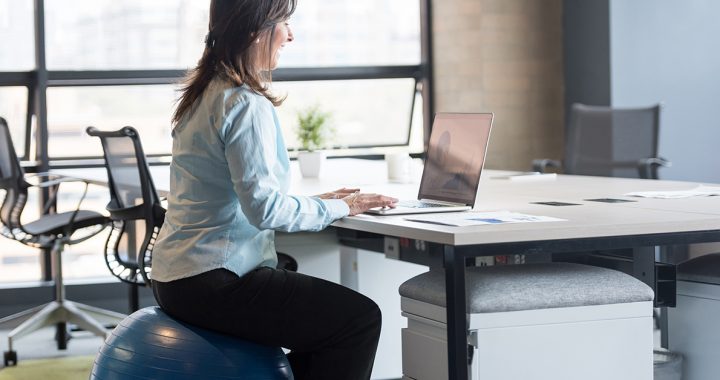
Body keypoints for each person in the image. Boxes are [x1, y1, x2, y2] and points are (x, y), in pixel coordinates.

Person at [151, 1, 398, 379]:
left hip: (175, 279)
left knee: (311, 304)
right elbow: (264, 210)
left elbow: (243, 199)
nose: (291, 34)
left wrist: (318, 203)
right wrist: (343, 208)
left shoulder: (203, 94)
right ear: (255, 30)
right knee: (359, 320)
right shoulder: (244, 103)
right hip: (213, 280)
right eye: (284, 22)